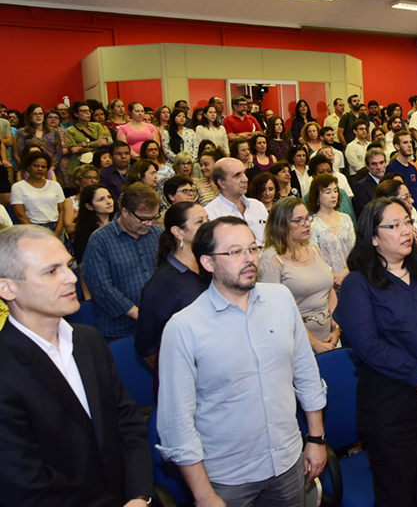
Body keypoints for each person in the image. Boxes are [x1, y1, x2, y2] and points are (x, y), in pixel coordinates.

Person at [157, 217, 328, 507]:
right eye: (235, 252)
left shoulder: (281, 299)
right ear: (208, 263)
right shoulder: (184, 327)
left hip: (288, 463)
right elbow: (176, 425)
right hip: (227, 479)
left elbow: (306, 372)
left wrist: (316, 439)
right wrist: (204, 495)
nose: (249, 258)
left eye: (252, 248)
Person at [0, 226, 154, 507]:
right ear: (7, 287)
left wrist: (140, 494)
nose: (72, 278)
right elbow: (25, 481)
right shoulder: (5, 368)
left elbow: (128, 423)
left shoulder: (89, 339)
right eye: (51, 271)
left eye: (69, 266)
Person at [335, 197, 417, 506]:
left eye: (408, 222)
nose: (407, 230)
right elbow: (369, 346)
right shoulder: (358, 283)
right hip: (390, 403)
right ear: (374, 237)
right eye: (394, 225)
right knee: (397, 494)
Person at [259, 198, 340, 354]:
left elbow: (329, 291)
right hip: (295, 342)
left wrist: (336, 328)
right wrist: (314, 343)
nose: (307, 223)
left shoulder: (314, 249)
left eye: (308, 218)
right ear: (281, 226)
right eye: (299, 220)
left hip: (329, 336)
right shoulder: (271, 260)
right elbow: (275, 314)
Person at [135, 201, 209, 371]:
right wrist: (175, 376)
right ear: (178, 232)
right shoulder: (162, 284)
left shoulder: (210, 267)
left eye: (208, 219)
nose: (209, 226)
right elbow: (146, 345)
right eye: (200, 222)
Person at [83, 183, 162, 341]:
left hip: (156, 323)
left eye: (153, 218)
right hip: (118, 329)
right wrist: (138, 314)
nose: (149, 224)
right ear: (125, 212)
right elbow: (101, 287)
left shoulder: (158, 234)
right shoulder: (100, 240)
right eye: (144, 219)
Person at [205, 157, 269, 245]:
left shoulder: (258, 206)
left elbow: (271, 240)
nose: (245, 179)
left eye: (244, 173)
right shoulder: (210, 214)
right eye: (237, 175)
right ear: (222, 183)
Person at [308, 173, 356, 288]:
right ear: (317, 196)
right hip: (325, 282)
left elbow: (355, 249)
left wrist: (345, 272)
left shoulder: (346, 218)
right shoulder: (312, 224)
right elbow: (315, 256)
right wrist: (332, 276)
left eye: (335, 191)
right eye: (328, 192)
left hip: (350, 276)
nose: (333, 195)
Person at [374, 178, 417, 262]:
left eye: (408, 222)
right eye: (406, 197)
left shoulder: (413, 229)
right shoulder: (382, 233)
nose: (411, 201)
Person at [11, 149, 65, 235]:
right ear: (28, 167)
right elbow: (20, 214)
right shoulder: (18, 187)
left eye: (43, 167)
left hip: (55, 227)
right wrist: (35, 233)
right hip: (31, 228)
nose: (40, 169)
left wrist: (57, 232)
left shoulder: (55, 185)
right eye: (36, 166)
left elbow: (62, 210)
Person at [65, 100, 111, 179]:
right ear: (76, 114)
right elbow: (74, 149)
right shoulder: (70, 130)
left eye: (89, 111)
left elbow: (103, 142)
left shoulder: (97, 126)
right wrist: (96, 143)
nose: (88, 113)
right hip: (80, 163)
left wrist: (84, 144)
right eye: (83, 111)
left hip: (97, 162)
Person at [71, 184, 115, 265]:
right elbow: (82, 266)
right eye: (101, 199)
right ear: (89, 206)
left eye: (109, 197)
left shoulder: (119, 223)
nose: (109, 202)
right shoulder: (83, 231)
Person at [387, 130, 417, 212]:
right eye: (405, 143)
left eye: (410, 142)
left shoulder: (413, 167)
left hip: (416, 213)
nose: (410, 145)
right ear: (397, 146)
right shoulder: (391, 168)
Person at [64, 163, 102, 235]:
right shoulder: (70, 201)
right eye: (89, 178)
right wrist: (94, 223)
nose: (94, 181)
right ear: (78, 181)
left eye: (96, 178)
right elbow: (69, 228)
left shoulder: (102, 199)